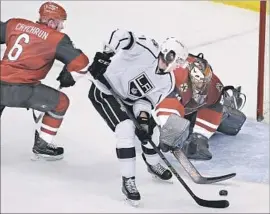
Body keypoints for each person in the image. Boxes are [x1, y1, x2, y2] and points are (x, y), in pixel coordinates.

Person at [87, 29, 189, 205]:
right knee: (125, 128)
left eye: (175, 62)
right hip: (104, 90)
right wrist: (106, 55)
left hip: (130, 101)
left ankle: (153, 164)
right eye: (169, 57)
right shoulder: (147, 48)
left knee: (152, 132)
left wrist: (142, 119)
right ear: (164, 50)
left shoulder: (167, 82)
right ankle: (128, 181)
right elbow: (121, 34)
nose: (169, 64)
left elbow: (146, 102)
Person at [0, 1, 89, 160]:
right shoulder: (56, 38)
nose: (61, 27)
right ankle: (42, 146)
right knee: (61, 102)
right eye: (60, 22)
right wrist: (70, 76)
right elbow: (82, 63)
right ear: (51, 22)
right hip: (23, 90)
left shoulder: (15, 24)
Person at [154, 53, 247, 160]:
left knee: (234, 122)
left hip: (193, 109)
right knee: (178, 125)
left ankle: (230, 102)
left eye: (205, 83)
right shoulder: (174, 76)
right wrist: (169, 127)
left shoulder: (214, 86)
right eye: (197, 82)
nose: (201, 87)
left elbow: (214, 108)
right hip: (180, 106)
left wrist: (199, 137)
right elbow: (164, 100)